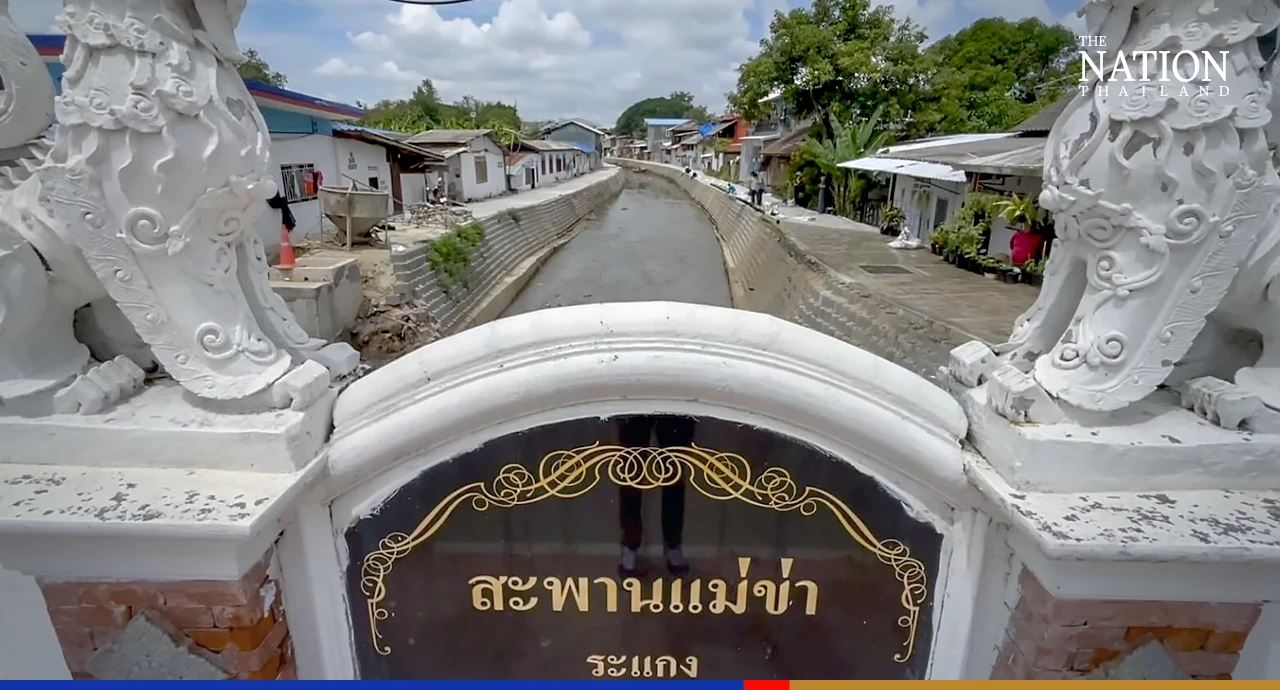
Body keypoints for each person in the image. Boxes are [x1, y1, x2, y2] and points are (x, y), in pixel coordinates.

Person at [616, 415, 695, 578]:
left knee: (674, 470)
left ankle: (672, 545)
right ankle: (630, 545)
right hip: (636, 403)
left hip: (672, 405)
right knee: (631, 470)